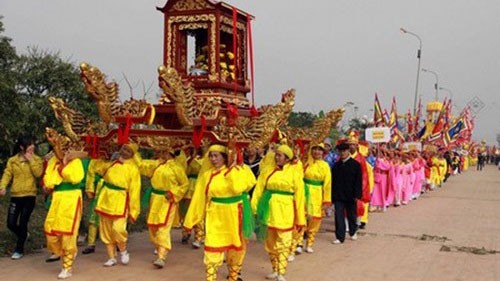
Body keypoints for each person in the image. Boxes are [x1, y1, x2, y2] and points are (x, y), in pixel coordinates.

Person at [183, 144, 256, 281]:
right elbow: (198, 198)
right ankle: (210, 277)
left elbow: (238, 188)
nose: (213, 159)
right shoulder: (206, 175)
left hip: (234, 213)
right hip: (215, 214)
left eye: (216, 156)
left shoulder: (239, 171)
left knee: (235, 247)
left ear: (225, 157)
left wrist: (231, 170)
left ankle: (233, 275)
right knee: (212, 245)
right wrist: (190, 220)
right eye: (211, 155)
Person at [251, 144, 306, 281]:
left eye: (280, 155)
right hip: (269, 209)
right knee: (270, 242)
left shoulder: (294, 173)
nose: (277, 157)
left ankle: (281, 272)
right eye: (276, 154)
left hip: (285, 210)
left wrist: (300, 217)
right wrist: (254, 208)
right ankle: (275, 269)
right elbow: (258, 190)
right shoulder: (267, 171)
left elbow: (299, 196)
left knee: (284, 241)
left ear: (287, 158)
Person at [138, 147, 189, 268]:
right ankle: (160, 248)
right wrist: (133, 150)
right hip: (155, 198)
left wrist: (173, 192)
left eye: (164, 152)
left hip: (168, 200)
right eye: (160, 151)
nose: (161, 154)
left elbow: (184, 184)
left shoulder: (176, 168)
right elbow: (141, 165)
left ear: (170, 153)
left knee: (163, 227)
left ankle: (161, 257)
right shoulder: (156, 165)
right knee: (152, 226)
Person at [92, 143, 141, 267]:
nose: (125, 152)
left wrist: (133, 211)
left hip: (121, 200)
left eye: (128, 151)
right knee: (106, 229)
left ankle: (123, 250)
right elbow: (97, 169)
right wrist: (100, 156)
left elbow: (135, 190)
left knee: (118, 229)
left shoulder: (133, 169)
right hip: (106, 199)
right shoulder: (112, 163)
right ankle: (111, 257)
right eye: (124, 149)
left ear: (132, 155)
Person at [43, 148, 86, 279]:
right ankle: (66, 252)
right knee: (50, 229)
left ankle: (67, 267)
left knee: (68, 232)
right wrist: (48, 185)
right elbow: (48, 178)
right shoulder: (53, 161)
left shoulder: (76, 161)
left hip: (71, 197)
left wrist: (65, 163)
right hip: (57, 198)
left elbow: (75, 178)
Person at [0, 136, 43, 260]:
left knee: (23, 222)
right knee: (11, 223)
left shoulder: (36, 159)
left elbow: (38, 174)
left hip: (29, 195)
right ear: (21, 147)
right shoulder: (13, 161)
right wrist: (2, 186)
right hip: (16, 195)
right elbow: (7, 174)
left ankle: (19, 249)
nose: (32, 146)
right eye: (29, 144)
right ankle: (24, 235)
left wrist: (31, 160)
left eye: (32, 144)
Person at [331, 141, 362, 244]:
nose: (342, 153)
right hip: (338, 195)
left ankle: (353, 231)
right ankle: (340, 237)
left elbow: (358, 181)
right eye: (340, 151)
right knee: (338, 216)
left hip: (351, 195)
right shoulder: (336, 166)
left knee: (351, 215)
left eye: (344, 150)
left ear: (348, 151)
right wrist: (332, 196)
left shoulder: (355, 165)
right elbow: (333, 182)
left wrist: (357, 195)